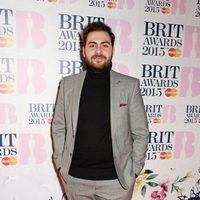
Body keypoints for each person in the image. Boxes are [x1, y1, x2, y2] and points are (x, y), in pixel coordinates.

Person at [52, 21, 149, 200]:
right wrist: (60, 163)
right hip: (75, 180)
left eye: (105, 45)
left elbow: (141, 133)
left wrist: (134, 170)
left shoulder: (130, 86)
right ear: (83, 51)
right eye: (92, 45)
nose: (99, 51)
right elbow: (59, 127)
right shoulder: (67, 84)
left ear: (112, 49)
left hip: (117, 183)